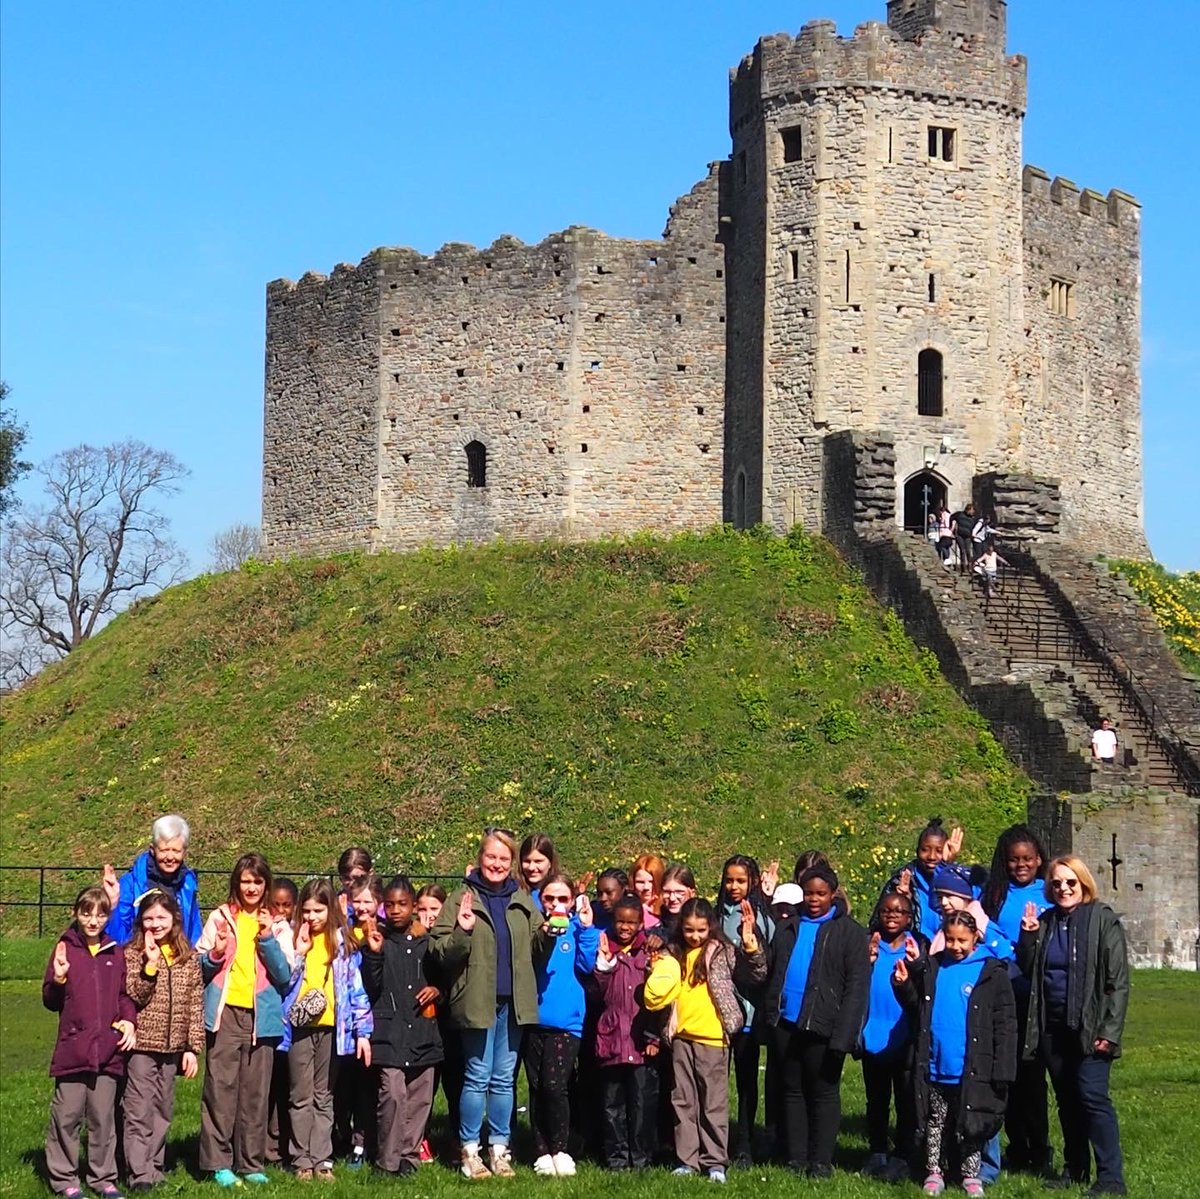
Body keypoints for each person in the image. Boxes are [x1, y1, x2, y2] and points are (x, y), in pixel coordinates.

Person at [428, 828, 549, 1180]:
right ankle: (469, 1150)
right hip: (476, 1001)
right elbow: (439, 951)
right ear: (480, 858)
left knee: (503, 1080)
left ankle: (500, 1148)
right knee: (477, 1076)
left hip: (513, 1003)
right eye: (490, 856)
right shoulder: (462, 897)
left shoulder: (522, 900)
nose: (496, 864)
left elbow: (537, 950)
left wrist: (551, 935)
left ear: (512, 863)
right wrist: (463, 932)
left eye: (503, 858)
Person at [1017, 856, 1129, 1195]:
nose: (1063, 888)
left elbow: (1117, 981)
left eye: (1070, 882)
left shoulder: (1102, 920)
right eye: (1056, 883)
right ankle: (1076, 1167)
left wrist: (1108, 1033)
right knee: (1066, 1100)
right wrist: (1027, 937)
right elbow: (1028, 969)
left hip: (1090, 1026)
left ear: (1083, 884)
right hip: (1053, 1026)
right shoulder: (1047, 922)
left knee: (1093, 1098)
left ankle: (1111, 1177)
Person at [894, 911, 1017, 1198]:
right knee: (936, 1121)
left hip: (973, 1066)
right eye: (950, 939)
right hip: (937, 1063)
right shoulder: (934, 968)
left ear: (976, 938)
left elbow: (1006, 1025)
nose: (956, 945)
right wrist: (903, 984)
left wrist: (1003, 1069)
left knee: (970, 1124)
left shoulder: (992, 973)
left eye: (962, 940)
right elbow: (917, 1009)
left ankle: (971, 1174)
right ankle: (934, 1170)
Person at [645, 897, 766, 1184]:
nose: (695, 936)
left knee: (712, 1104)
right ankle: (687, 1159)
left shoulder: (722, 951)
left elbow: (756, 973)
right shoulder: (671, 952)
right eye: (689, 930)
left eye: (701, 930)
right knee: (682, 1101)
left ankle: (714, 1162)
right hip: (681, 1037)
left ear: (710, 927)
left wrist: (751, 945)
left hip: (713, 1038)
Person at [761, 866, 869, 1179]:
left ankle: (821, 1160)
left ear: (833, 894)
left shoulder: (849, 932)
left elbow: (857, 987)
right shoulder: (789, 927)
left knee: (823, 1092)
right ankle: (797, 1157)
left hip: (824, 1025)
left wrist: (844, 1035)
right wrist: (772, 1016)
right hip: (787, 1022)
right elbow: (774, 974)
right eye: (809, 893)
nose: (814, 899)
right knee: (792, 1089)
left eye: (821, 893)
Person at [196, 853, 294, 1188]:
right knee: (220, 1092)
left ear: (266, 884)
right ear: (236, 882)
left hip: (262, 1018)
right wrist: (215, 954)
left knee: (255, 1094)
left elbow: (284, 976)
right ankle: (217, 1162)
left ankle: (250, 1162)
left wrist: (266, 938)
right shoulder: (220, 919)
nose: (251, 887)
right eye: (245, 881)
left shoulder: (278, 925)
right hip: (225, 1017)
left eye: (257, 881)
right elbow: (199, 968)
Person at [43, 886, 136, 1199]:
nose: (93, 920)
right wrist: (58, 979)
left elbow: (123, 996)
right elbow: (50, 1000)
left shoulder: (114, 951)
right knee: (66, 1117)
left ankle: (103, 1179)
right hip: (73, 1050)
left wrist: (128, 1020)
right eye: (86, 913)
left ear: (107, 917)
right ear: (76, 913)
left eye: (100, 914)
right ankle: (65, 1179)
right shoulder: (64, 949)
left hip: (107, 1052)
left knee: (102, 1118)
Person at [281, 878, 373, 1181]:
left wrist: (363, 1033)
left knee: (324, 1094)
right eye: (306, 910)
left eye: (318, 910)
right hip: (300, 1028)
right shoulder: (295, 937)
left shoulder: (342, 941)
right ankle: (301, 1159)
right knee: (300, 1094)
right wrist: (298, 953)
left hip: (334, 1029)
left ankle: (321, 1158)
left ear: (330, 909)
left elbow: (355, 988)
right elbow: (286, 984)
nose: (311, 917)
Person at [981, 826, 1054, 1176]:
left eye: (1027, 859)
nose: (1020, 866)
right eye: (1014, 860)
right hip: (1003, 993)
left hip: (1036, 995)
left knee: (1032, 1077)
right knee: (1005, 1074)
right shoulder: (993, 894)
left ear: (1039, 859)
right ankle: (1017, 1146)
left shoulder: (1050, 892)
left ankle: (1040, 1149)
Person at [359, 876, 443, 1178]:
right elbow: (371, 985)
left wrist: (437, 990)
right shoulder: (377, 940)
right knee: (392, 1094)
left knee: (420, 1096)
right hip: (389, 1033)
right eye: (390, 904)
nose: (396, 910)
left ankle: (410, 1155)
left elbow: (443, 978)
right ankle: (387, 1159)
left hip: (422, 1030)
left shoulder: (427, 942)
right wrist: (374, 954)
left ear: (413, 907)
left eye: (402, 904)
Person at [123, 890, 205, 1191]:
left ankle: (155, 1166)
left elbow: (195, 1004)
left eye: (161, 917)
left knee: (162, 1110)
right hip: (142, 1045)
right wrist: (150, 965)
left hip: (173, 1047)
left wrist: (192, 1048)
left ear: (174, 919)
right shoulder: (132, 953)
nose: (155, 924)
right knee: (139, 1109)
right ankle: (138, 1172)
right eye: (148, 919)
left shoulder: (188, 958)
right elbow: (134, 995)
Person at [525, 874, 599, 1176]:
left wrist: (586, 928)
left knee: (555, 1087)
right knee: (535, 1088)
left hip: (567, 1023)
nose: (555, 904)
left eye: (562, 899)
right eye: (549, 899)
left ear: (572, 901)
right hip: (533, 1020)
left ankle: (561, 1147)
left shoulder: (575, 929)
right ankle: (540, 1149)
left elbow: (586, 964)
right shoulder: (535, 928)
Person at [859, 891, 924, 1184]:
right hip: (873, 1032)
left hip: (904, 1035)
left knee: (906, 1099)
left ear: (909, 917)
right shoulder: (868, 944)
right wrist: (866, 961)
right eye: (885, 910)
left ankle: (903, 1154)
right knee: (876, 1099)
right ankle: (877, 1150)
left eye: (899, 911)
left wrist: (916, 966)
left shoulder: (917, 947)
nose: (891, 915)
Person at [713, 855, 774, 1166]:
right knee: (715, 1081)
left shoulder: (762, 917)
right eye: (729, 880)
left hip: (749, 1016)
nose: (734, 886)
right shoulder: (715, 915)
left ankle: (745, 1144)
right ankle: (716, 1141)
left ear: (751, 882)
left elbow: (768, 964)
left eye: (740, 880)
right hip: (718, 1016)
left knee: (747, 1082)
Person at [593, 894, 661, 1170]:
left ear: (641, 924)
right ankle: (616, 1157)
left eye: (631, 923)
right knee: (612, 1104)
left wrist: (654, 1036)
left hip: (641, 1039)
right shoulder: (606, 949)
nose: (624, 927)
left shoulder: (652, 951)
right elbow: (599, 994)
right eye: (620, 921)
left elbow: (660, 997)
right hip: (612, 1039)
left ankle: (642, 1157)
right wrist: (604, 967)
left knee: (642, 1103)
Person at [335, 873, 384, 1165]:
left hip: (373, 1015)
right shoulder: (345, 930)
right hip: (346, 1017)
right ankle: (340, 1135)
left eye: (368, 901)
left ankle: (361, 1142)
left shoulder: (382, 931)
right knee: (344, 1084)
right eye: (358, 901)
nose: (362, 906)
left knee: (367, 1086)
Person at [101, 814, 202, 947]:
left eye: (176, 851)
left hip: (177, 958)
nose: (170, 857)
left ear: (184, 852)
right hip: (138, 957)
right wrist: (112, 904)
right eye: (164, 850)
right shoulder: (130, 883)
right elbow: (116, 936)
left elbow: (194, 931)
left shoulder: (187, 884)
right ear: (152, 850)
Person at [415, 884, 456, 1162]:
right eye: (422, 909)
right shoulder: (413, 940)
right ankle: (420, 1136)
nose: (428, 915)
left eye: (435, 909)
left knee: (455, 1083)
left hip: (450, 1022)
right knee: (424, 1086)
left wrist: (440, 992)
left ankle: (457, 1138)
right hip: (422, 1023)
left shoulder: (450, 940)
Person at [883, 818, 964, 941]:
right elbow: (883, 923)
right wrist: (905, 901)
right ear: (917, 851)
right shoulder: (902, 881)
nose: (931, 857)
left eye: (939, 851)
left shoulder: (960, 883)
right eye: (925, 850)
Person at [266, 879, 299, 1166]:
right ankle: (268, 1145)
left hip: (290, 1023)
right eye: (275, 904)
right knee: (269, 1086)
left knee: (288, 1087)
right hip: (267, 1019)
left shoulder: (297, 933)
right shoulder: (265, 929)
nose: (280, 910)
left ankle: (281, 1144)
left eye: (286, 905)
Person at [518, 834, 560, 908]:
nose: (531, 867)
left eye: (538, 861)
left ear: (550, 862)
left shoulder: (562, 893)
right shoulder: (514, 890)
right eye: (527, 861)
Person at [630, 853, 666, 926]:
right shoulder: (626, 907)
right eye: (640, 882)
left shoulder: (668, 906)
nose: (646, 887)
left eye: (651, 882)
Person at [951, 503, 976, 576]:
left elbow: (973, 527)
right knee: (962, 550)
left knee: (968, 551)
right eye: (972, 510)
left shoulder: (972, 518)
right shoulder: (959, 514)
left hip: (968, 536)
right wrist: (951, 528)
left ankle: (970, 567)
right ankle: (963, 567)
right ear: (968, 509)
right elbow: (951, 517)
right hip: (959, 535)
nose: (973, 512)